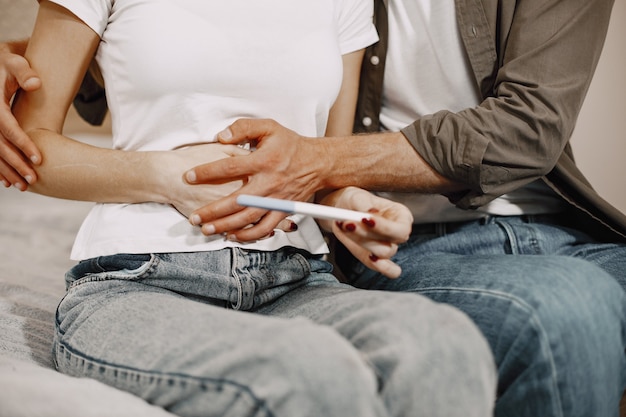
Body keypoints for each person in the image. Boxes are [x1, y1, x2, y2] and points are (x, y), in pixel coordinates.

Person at [108, 0, 626, 416]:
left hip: (567, 227)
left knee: (585, 293)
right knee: (570, 305)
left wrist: (318, 161)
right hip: (404, 240)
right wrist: (36, 58)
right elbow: (166, 41)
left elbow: (528, 129)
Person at [2, 1, 499, 416]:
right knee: (311, 371)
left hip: (295, 277)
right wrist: (166, 176)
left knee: (446, 346)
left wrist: (348, 204)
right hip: (139, 281)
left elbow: (324, 165)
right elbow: (29, 147)